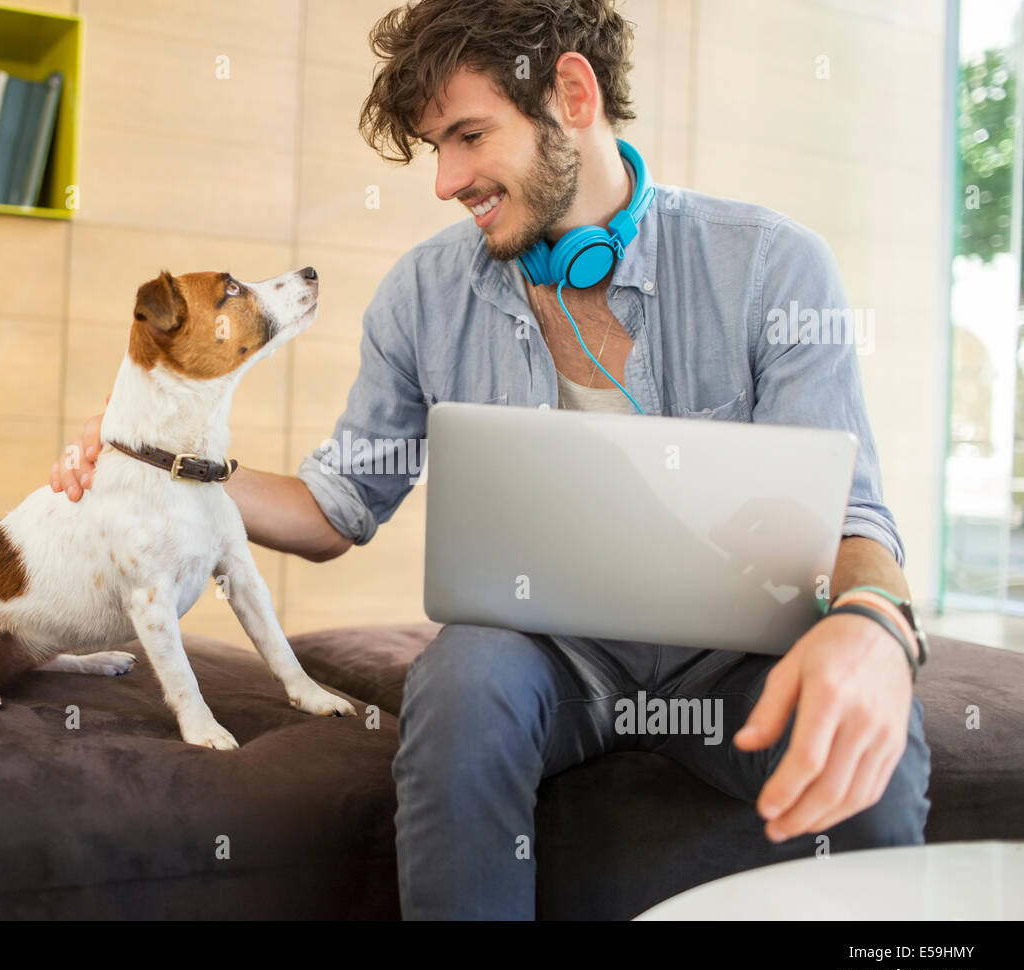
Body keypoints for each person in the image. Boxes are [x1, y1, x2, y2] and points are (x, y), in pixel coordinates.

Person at [50, 0, 930, 920]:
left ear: (573, 95)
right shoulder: (424, 295)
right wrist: (162, 461)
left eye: (469, 135)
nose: (446, 179)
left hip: (737, 664)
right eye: (436, 146)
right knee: (463, 678)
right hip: (545, 658)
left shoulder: (773, 269)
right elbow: (332, 509)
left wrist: (870, 623)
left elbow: (855, 524)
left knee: (883, 726)